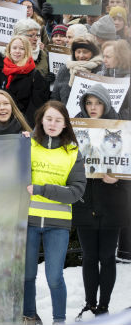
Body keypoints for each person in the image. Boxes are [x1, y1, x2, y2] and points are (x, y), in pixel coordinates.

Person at [23, 101, 86, 325]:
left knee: (55, 278)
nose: (53, 123)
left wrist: (42, 190)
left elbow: (76, 191)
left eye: (58, 120)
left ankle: (59, 320)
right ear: (40, 119)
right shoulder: (27, 144)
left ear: (65, 124)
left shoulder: (72, 151)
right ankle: (29, 316)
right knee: (27, 276)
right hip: (28, 221)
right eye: (49, 118)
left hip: (57, 224)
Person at [73, 84, 129, 319]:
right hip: (85, 200)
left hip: (112, 202)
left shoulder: (122, 128)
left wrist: (116, 179)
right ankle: (90, 303)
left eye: (97, 103)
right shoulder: (75, 127)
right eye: (88, 103)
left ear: (106, 103)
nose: (93, 108)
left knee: (107, 257)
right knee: (89, 257)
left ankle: (103, 306)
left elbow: (128, 167)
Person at [0, 35, 49, 126]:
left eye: (22, 48)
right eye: (14, 48)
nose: (17, 51)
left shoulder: (35, 75)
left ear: (27, 51)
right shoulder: (1, 71)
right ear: (9, 50)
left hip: (22, 125)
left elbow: (36, 106)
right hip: (0, 123)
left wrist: (24, 126)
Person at [51, 35, 102, 105]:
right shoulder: (65, 69)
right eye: (78, 52)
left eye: (85, 52)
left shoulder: (100, 70)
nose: (81, 56)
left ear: (93, 53)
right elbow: (55, 97)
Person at [97, 40, 131, 119]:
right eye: (103, 56)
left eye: (108, 57)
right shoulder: (99, 75)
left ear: (120, 57)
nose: (104, 60)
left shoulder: (128, 80)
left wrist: (115, 117)